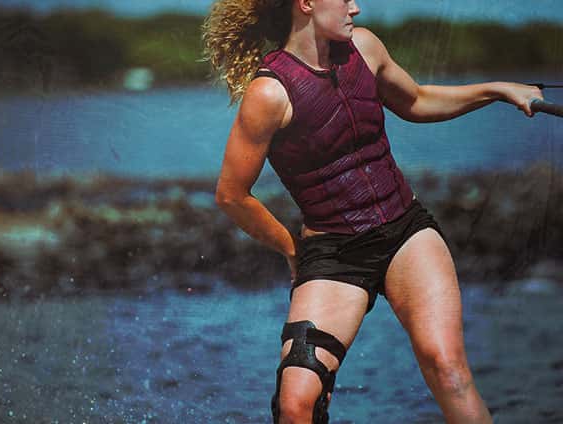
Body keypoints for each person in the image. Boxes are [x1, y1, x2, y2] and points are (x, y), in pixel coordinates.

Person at [203, 1, 543, 423]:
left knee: (448, 369)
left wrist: (499, 91)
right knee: (295, 403)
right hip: (335, 254)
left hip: (406, 233)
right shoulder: (269, 93)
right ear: (306, 4)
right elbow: (232, 195)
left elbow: (417, 100)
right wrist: (291, 249)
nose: (356, 8)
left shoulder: (363, 48)